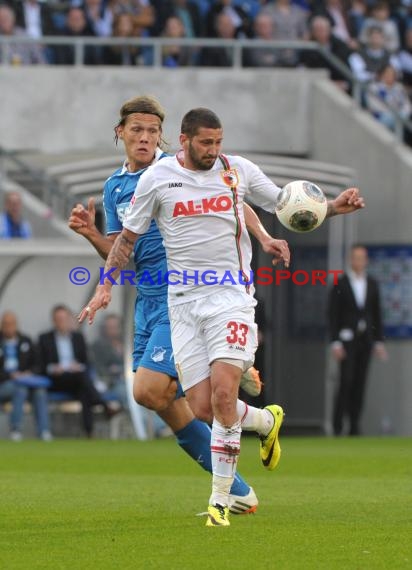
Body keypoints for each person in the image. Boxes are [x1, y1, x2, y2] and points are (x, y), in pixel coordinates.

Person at [79, 107, 365, 526]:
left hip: (230, 296)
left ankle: (224, 500)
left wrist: (330, 209)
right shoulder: (153, 181)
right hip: (179, 300)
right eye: (206, 143)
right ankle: (265, 420)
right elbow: (126, 240)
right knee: (200, 407)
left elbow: (279, 202)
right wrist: (104, 285)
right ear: (185, 141)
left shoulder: (235, 170)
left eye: (219, 142)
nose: (214, 151)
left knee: (213, 396)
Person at [69, 95, 286, 515]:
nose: (146, 138)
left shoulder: (180, 168)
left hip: (185, 297)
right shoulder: (115, 186)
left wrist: (262, 238)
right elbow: (120, 249)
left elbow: (234, 201)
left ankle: (229, 373)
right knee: (165, 403)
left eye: (153, 131)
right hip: (146, 301)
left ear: (166, 137)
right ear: (121, 133)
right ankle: (242, 473)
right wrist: (91, 236)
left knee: (149, 389)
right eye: (137, 130)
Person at [328, 245, 387, 436]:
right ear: (350, 260)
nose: (359, 261)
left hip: (366, 340)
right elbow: (333, 314)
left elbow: (376, 314)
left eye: (362, 258)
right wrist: (335, 342)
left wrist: (378, 341)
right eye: (355, 257)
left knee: (360, 382)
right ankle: (337, 425)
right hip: (346, 340)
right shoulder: (341, 283)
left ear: (366, 260)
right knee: (346, 381)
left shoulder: (372, 284)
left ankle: (354, 425)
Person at [38, 304, 119, 437]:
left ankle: (89, 432)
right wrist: (53, 368)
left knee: (84, 391)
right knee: (83, 379)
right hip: (57, 380)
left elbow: (85, 362)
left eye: (64, 319)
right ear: (54, 321)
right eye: (59, 319)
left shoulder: (78, 338)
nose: (62, 322)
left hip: (77, 379)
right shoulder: (44, 339)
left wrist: (77, 366)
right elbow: (40, 365)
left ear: (69, 319)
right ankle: (104, 404)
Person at [0, 311, 51, 441]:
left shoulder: (26, 341)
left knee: (40, 392)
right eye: (5, 324)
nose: (8, 327)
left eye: (11, 324)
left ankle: (44, 431)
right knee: (20, 389)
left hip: (27, 381)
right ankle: (15, 429)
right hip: (5, 383)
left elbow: (38, 364)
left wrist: (29, 373)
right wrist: (10, 375)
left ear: (16, 325)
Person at [91, 313, 127, 407]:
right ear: (104, 329)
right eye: (109, 327)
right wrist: (115, 372)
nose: (112, 330)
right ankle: (143, 421)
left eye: (115, 327)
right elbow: (99, 369)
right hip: (112, 383)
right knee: (128, 392)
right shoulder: (98, 346)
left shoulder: (128, 343)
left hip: (132, 379)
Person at [365, 64, 411, 131]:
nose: (390, 76)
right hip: (380, 117)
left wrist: (402, 113)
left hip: (398, 116)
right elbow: (373, 105)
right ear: (382, 75)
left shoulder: (399, 88)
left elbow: (407, 106)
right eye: (388, 73)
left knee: (403, 117)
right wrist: (390, 112)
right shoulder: (374, 87)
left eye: (392, 74)